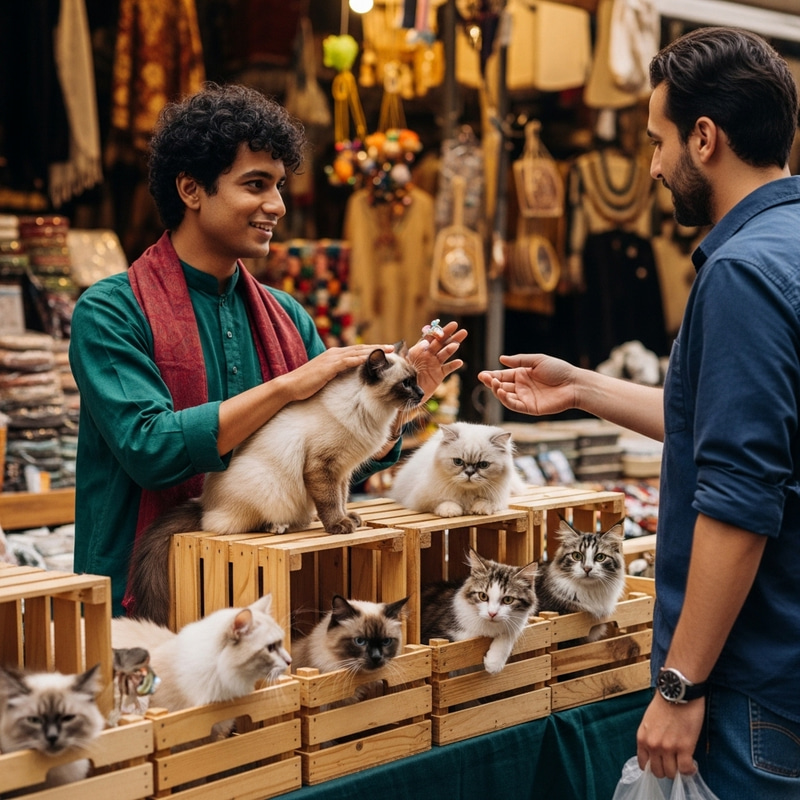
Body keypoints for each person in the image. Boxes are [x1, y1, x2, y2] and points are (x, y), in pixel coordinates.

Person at [479, 26, 800, 799]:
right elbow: (725, 427)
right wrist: (581, 387)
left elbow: (740, 501)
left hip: (752, 690)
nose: (654, 166)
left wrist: (681, 685)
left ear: (703, 137)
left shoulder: (742, 273)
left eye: (657, 142)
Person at [69, 83, 466, 617]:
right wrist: (286, 387)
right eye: (256, 184)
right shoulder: (111, 311)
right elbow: (149, 449)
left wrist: (396, 400)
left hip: (270, 605)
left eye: (279, 185)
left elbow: (328, 466)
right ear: (191, 189)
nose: (276, 205)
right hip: (143, 601)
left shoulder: (287, 315)